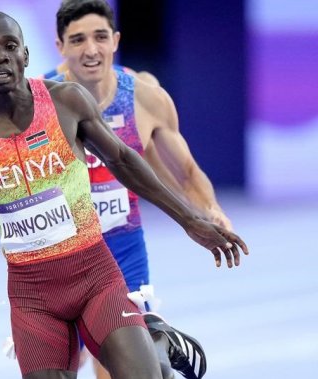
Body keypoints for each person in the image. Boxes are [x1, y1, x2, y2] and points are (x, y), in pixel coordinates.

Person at [0, 11, 248, 379]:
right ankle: (151, 338)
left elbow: (124, 160)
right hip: (32, 296)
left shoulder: (66, 102)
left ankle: (154, 342)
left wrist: (191, 219)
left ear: (26, 55)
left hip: (93, 275)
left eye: (9, 46)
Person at [51, 1, 233, 378]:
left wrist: (210, 208)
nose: (91, 49)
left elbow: (186, 173)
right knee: (64, 365)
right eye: (78, 39)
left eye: (101, 37)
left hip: (123, 248)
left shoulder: (144, 98)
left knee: (121, 364)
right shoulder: (39, 103)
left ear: (115, 40)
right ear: (60, 46)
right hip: (60, 254)